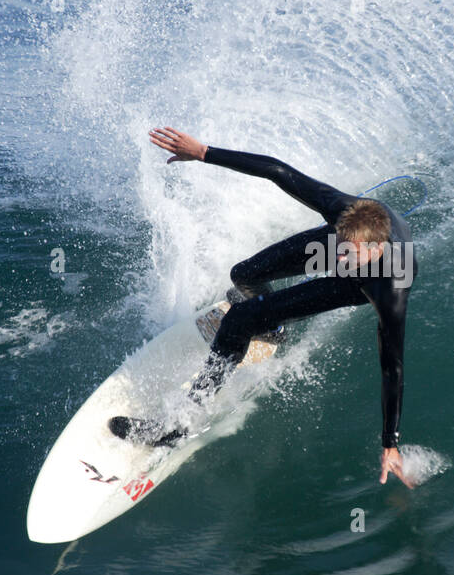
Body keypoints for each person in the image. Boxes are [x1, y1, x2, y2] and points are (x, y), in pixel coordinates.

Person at [109, 127, 418, 488]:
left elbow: (392, 369)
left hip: (359, 283)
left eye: (350, 252)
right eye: (341, 246)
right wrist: (204, 151)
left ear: (376, 249)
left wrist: (389, 444)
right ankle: (271, 328)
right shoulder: (342, 215)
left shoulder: (389, 290)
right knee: (243, 274)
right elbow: (277, 171)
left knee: (239, 317)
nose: (340, 257)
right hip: (355, 234)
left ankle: (180, 421)